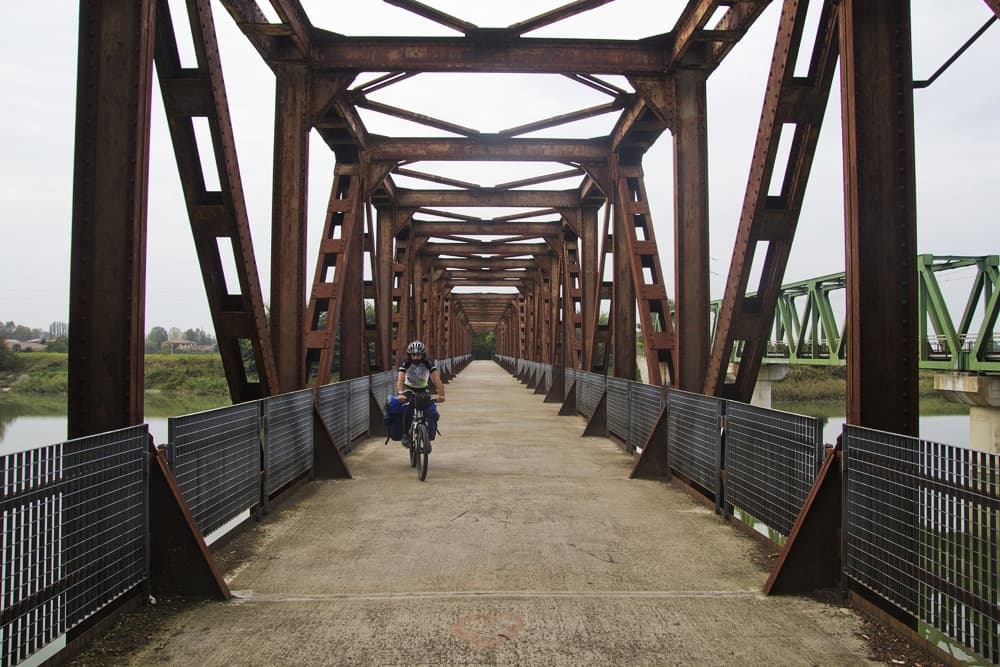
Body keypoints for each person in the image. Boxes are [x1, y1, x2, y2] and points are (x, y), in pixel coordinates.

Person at [396, 340, 445, 446]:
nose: (416, 358)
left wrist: (441, 394)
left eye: (418, 355)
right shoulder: (406, 363)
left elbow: (437, 379)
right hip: (409, 389)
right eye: (413, 355)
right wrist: (400, 393)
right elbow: (400, 379)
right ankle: (405, 434)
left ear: (423, 355)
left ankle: (425, 435)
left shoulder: (428, 363)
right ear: (410, 355)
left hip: (423, 389)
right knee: (408, 408)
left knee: (428, 410)